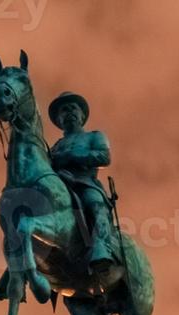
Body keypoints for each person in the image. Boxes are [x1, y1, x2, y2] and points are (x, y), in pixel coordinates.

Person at [47, 91, 120, 274]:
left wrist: (70, 156)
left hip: (85, 184)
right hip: (60, 185)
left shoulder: (94, 136)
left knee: (94, 204)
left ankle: (102, 249)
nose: (69, 112)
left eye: (73, 108)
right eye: (64, 110)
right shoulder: (54, 146)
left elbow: (104, 156)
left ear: (81, 115)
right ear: (59, 119)